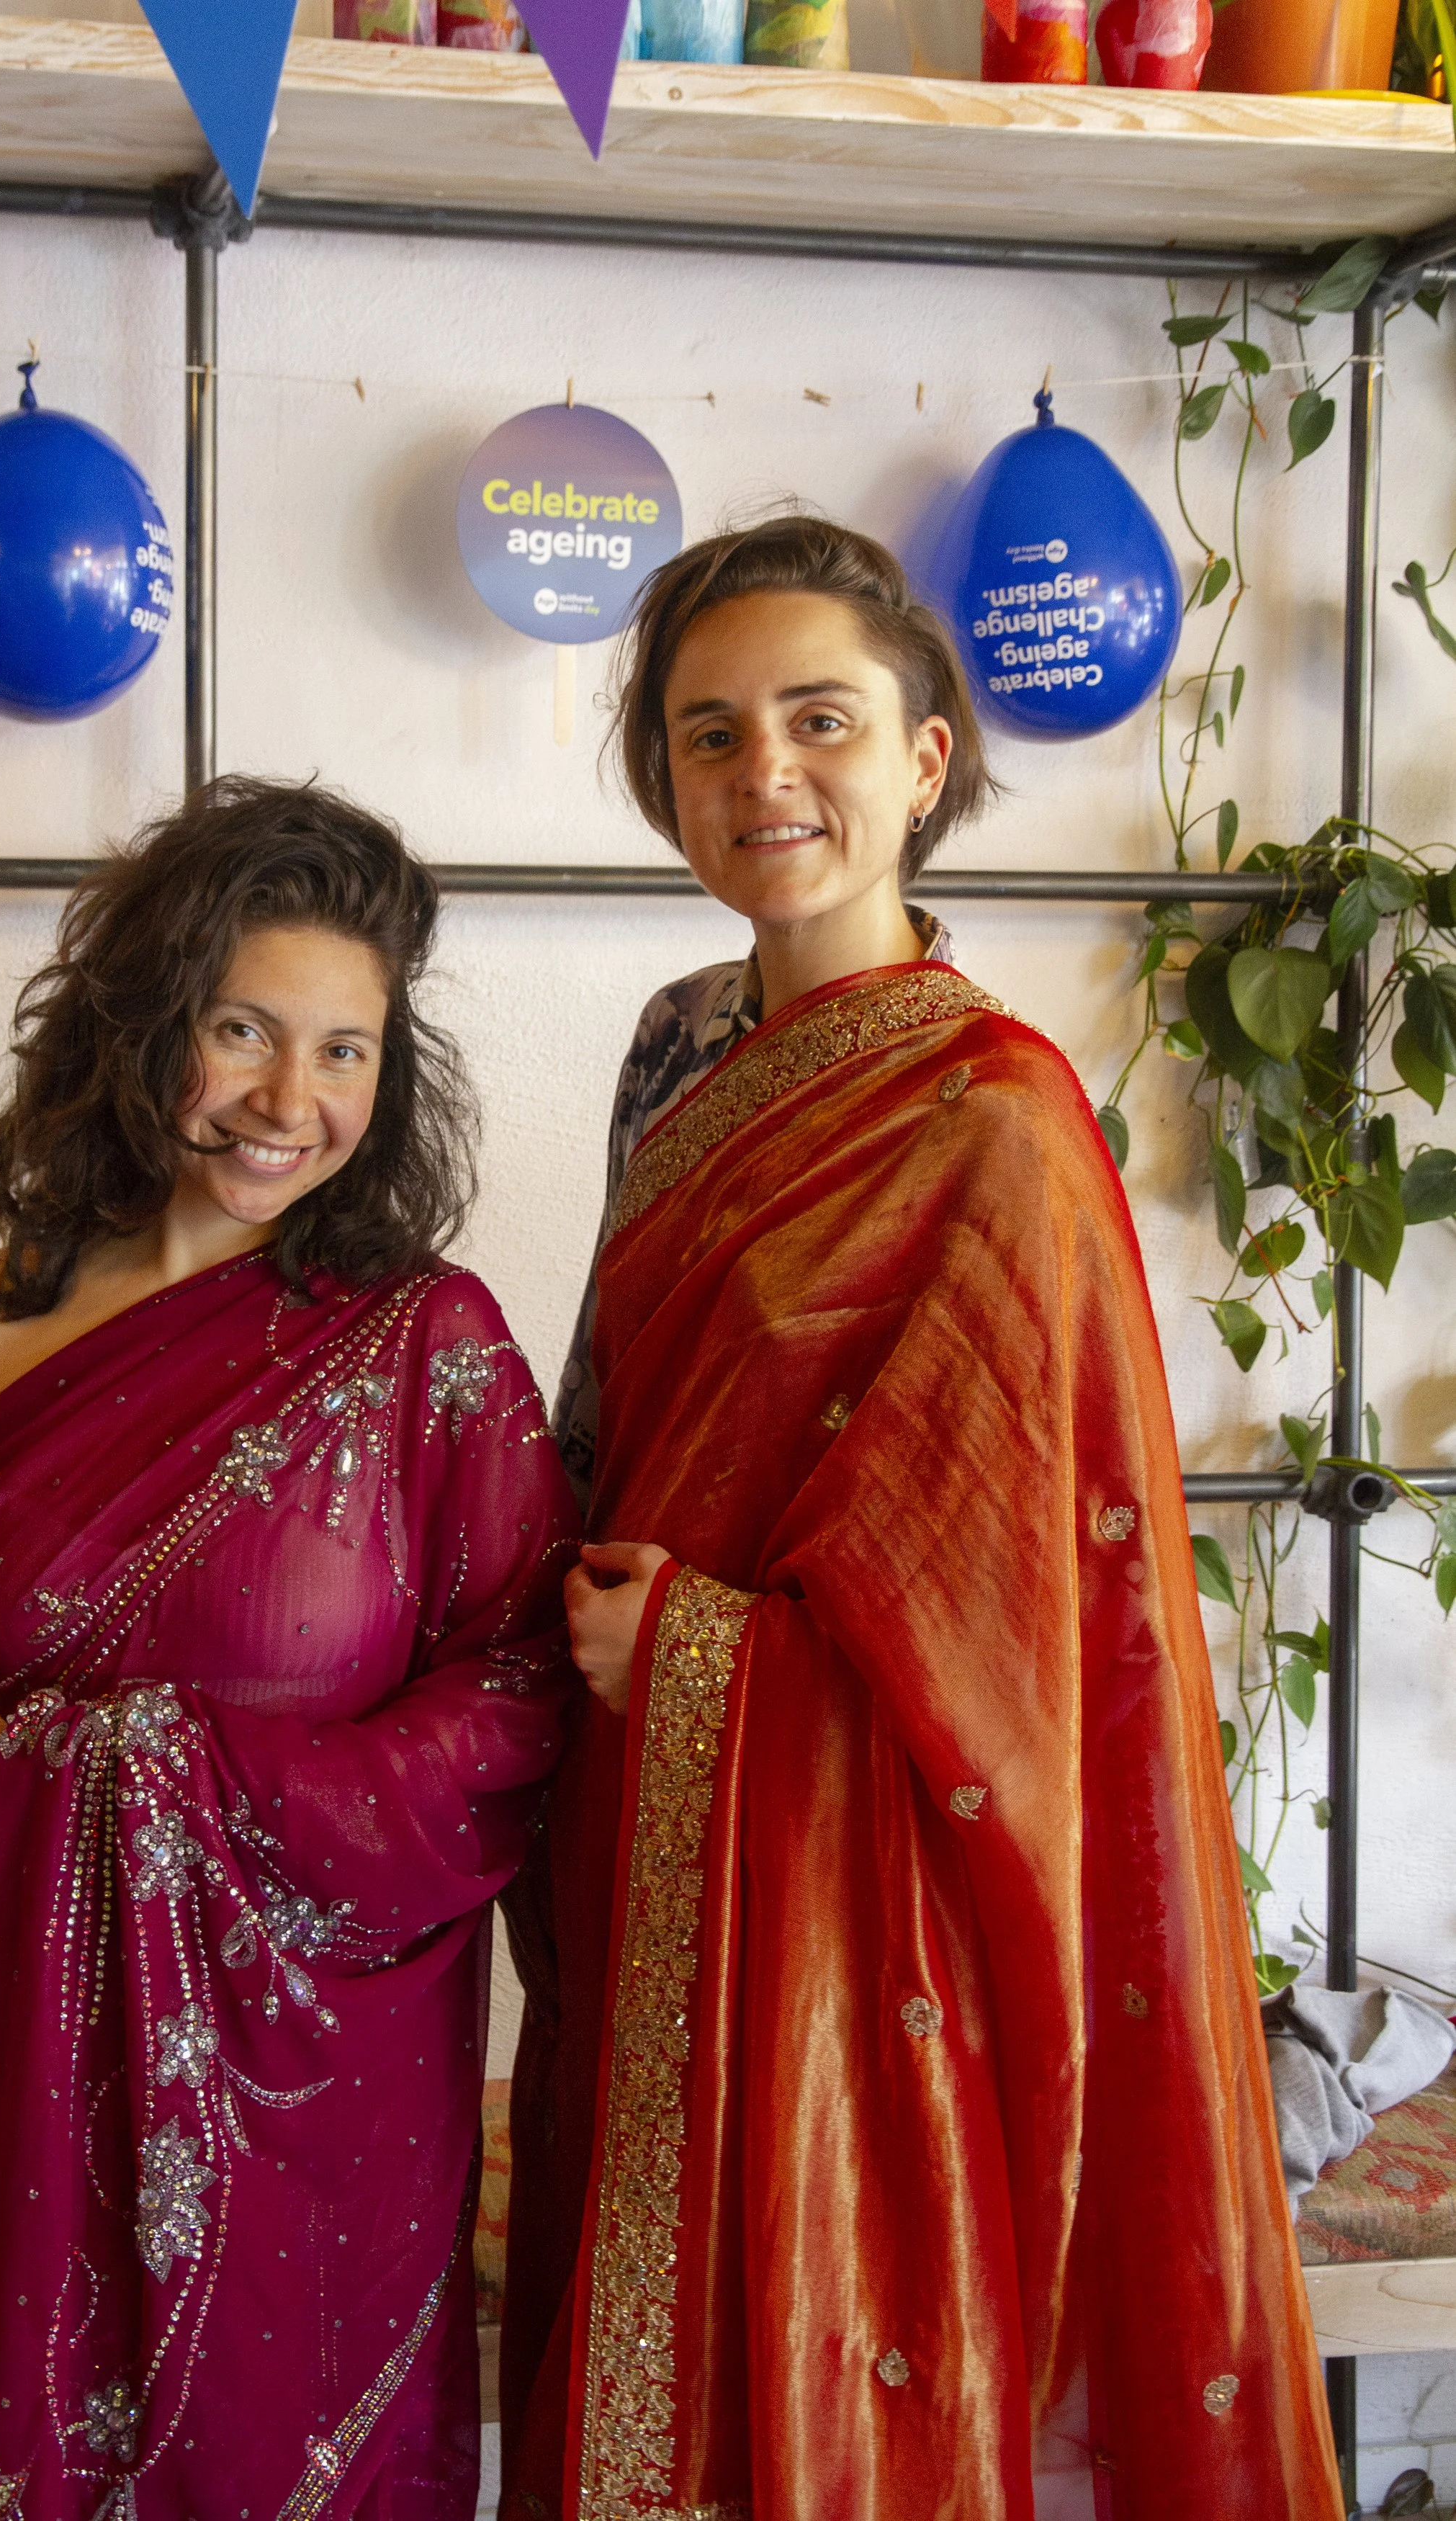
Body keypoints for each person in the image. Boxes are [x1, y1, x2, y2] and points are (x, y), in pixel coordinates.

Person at [498, 517, 1342, 2520]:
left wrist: (701, 1651)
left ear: (925, 756)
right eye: (707, 736)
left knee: (826, 2337)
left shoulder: (998, 1111)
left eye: (817, 720)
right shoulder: (671, 1048)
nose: (760, 776)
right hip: (639, 1801)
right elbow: (603, 1413)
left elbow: (1013, 1596)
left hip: (854, 1839)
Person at [0, 777, 578, 2521]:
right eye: (243, 1028)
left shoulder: (427, 1344)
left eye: (346, 1051)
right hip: (27, 2015)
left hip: (327, 2065)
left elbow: (516, 1688)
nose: (292, 1099)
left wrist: (196, 1783)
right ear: (144, 1021)